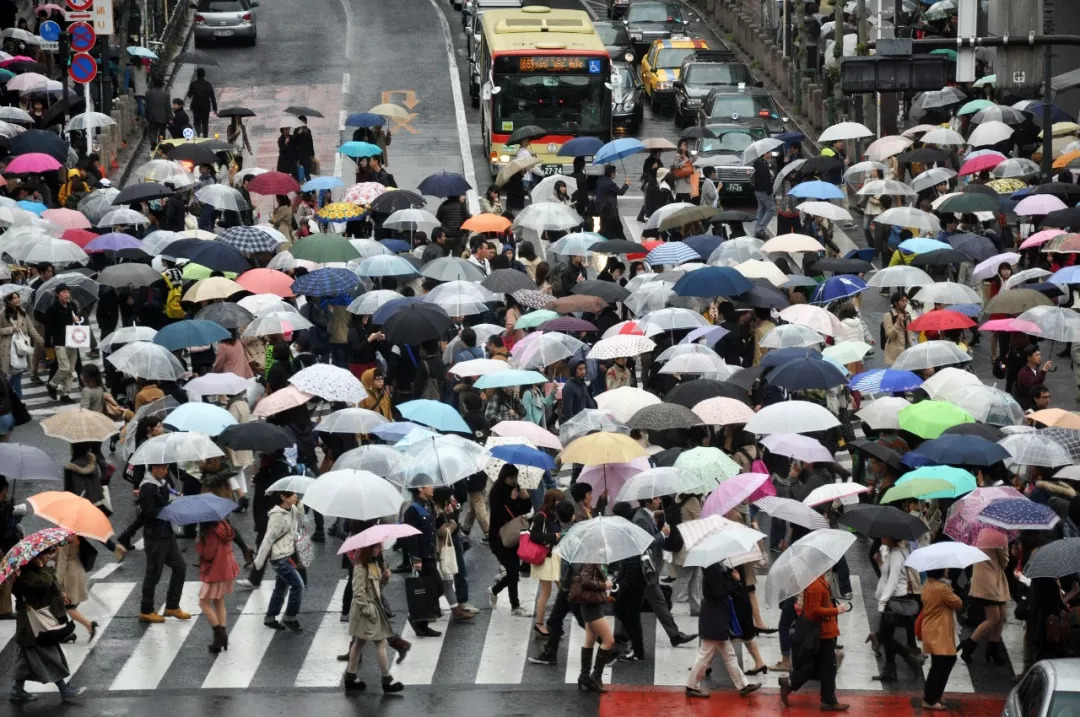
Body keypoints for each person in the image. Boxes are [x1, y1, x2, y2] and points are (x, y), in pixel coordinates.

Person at [9, 545, 85, 703]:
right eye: (45, 555)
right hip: (33, 623)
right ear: (35, 557)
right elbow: (43, 583)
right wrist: (43, 568)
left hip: (35, 622)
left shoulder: (31, 571)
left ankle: (17, 689)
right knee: (50, 655)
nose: (48, 557)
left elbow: (50, 584)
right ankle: (64, 690)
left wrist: (61, 593)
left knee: (27, 658)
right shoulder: (28, 574)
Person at [685, 563, 762, 699]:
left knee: (729, 654)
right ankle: (691, 686)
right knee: (705, 654)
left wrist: (731, 577)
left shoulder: (715, 567)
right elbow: (719, 593)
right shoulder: (713, 569)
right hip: (715, 618)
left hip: (716, 616)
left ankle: (743, 685)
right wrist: (734, 581)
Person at [778, 570, 851, 711]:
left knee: (820, 665)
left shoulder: (819, 580)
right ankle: (828, 700)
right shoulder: (815, 586)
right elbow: (813, 611)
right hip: (823, 633)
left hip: (826, 631)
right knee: (828, 666)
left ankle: (791, 683)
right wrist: (836, 610)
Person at [344, 543, 405, 693]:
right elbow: (358, 592)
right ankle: (386, 680)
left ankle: (351, 677)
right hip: (366, 610)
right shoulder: (360, 567)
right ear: (368, 549)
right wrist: (367, 610)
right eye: (377, 548)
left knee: (359, 642)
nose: (380, 550)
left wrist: (384, 578)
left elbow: (377, 588)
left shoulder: (373, 564)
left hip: (373, 607)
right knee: (380, 642)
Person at [138, 463, 191, 624]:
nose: (166, 472)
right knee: (153, 573)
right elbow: (148, 514)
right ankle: (146, 610)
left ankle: (172, 606)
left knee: (180, 566)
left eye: (167, 469)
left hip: (167, 533)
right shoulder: (147, 487)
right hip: (155, 536)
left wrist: (176, 498)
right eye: (163, 469)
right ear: (154, 469)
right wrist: (170, 507)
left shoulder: (162, 483)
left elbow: (170, 496)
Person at [253, 490, 305, 632]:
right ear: (283, 497)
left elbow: (298, 526)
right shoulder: (277, 516)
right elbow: (269, 537)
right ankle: (290, 617)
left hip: (288, 553)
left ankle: (270, 618)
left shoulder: (293, 509)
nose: (295, 496)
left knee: (281, 588)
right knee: (298, 586)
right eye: (292, 494)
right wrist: (259, 561)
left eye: (296, 494)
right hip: (279, 557)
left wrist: (299, 507)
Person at [487, 464, 532, 616]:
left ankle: (497, 593)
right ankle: (514, 606)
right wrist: (512, 501)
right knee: (513, 572)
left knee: (514, 572)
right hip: (500, 538)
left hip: (515, 536)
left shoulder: (517, 488)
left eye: (515, 477)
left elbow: (524, 511)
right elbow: (501, 516)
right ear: (504, 477)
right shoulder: (496, 492)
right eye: (511, 478)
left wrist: (526, 498)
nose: (514, 481)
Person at [959, 541, 1010, 664]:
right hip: (989, 580)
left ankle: (993, 649)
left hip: (990, 578)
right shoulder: (997, 537)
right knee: (994, 618)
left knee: (1001, 615)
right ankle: (969, 644)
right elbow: (1004, 561)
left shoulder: (980, 535)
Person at [919, 568, 963, 711]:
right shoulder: (942, 588)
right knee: (944, 663)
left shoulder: (928, 584)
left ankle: (935, 694)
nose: (947, 570)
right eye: (945, 568)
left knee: (940, 663)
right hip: (939, 631)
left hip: (933, 629)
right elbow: (958, 603)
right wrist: (949, 587)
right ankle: (929, 699)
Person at [571, 561, 618, 693]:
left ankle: (584, 676)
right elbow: (585, 582)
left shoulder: (592, 559)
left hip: (591, 605)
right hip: (592, 607)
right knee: (609, 641)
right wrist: (605, 585)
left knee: (590, 639)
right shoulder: (590, 560)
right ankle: (596, 676)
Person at [196, 516, 240, 653]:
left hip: (216, 570)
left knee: (203, 602)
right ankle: (220, 638)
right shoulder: (223, 525)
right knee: (219, 600)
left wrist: (200, 544)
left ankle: (220, 634)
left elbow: (208, 554)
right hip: (227, 567)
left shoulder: (210, 531)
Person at [403, 484, 442, 637]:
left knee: (433, 588)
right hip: (423, 557)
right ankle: (418, 620)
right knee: (435, 588)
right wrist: (416, 558)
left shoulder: (428, 505)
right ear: (420, 488)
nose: (432, 488)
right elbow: (412, 536)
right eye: (429, 485)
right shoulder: (413, 509)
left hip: (430, 554)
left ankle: (420, 621)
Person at [529, 489, 564, 637]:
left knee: (561, 590)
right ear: (551, 501)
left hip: (554, 556)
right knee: (548, 591)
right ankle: (540, 623)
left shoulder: (554, 515)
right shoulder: (541, 516)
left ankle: (552, 623)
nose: (560, 504)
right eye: (558, 501)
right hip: (546, 558)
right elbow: (534, 536)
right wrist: (552, 536)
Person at [43, 284, 82, 402]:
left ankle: (65, 394)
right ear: (57, 294)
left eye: (68, 292)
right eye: (63, 292)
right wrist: (48, 341)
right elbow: (48, 326)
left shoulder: (72, 306)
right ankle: (52, 384)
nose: (66, 294)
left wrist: (78, 319)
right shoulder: (53, 308)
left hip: (72, 340)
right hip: (59, 341)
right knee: (64, 368)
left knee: (71, 371)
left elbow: (79, 320)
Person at [0, 289, 41, 397]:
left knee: (18, 373)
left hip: (21, 348)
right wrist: (11, 329)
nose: (17, 299)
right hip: (8, 349)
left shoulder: (22, 312)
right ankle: (18, 397)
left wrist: (41, 341)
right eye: (14, 298)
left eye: (17, 297)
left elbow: (31, 328)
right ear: (8, 301)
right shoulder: (2, 314)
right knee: (16, 374)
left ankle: (6, 394)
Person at [594, 164, 629, 239]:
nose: (615, 173)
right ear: (611, 173)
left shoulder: (600, 180)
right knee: (616, 228)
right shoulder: (610, 184)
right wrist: (626, 184)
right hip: (609, 210)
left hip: (601, 208)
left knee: (605, 227)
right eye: (614, 172)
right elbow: (621, 192)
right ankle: (622, 243)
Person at [1013, 345, 1050, 410]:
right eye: (1036, 355)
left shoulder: (1036, 370)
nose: (1039, 357)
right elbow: (1035, 388)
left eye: (1039, 355)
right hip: (1027, 405)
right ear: (1029, 358)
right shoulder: (1023, 373)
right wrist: (1043, 371)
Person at [186, 68, 217, 138]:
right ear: (204, 75)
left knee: (196, 122)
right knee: (205, 122)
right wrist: (215, 108)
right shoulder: (208, 85)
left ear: (197, 75)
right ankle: (205, 136)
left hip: (195, 106)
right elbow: (212, 97)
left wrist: (191, 89)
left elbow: (189, 95)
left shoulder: (193, 84)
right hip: (205, 107)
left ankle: (199, 133)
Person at [882, 290, 911, 366]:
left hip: (906, 352)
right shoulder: (888, 315)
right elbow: (890, 335)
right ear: (895, 303)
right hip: (894, 354)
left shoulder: (907, 315)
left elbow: (910, 334)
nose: (905, 303)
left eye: (906, 301)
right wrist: (897, 323)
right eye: (902, 301)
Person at [752, 155, 775, 238]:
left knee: (761, 210)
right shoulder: (764, 165)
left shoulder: (757, 163)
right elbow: (766, 179)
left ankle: (757, 229)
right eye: (769, 152)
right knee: (771, 209)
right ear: (765, 154)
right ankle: (760, 229)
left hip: (757, 190)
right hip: (764, 191)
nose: (771, 154)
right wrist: (769, 190)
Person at [145, 78, 171, 145]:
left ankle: (153, 143)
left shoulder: (148, 93)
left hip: (152, 116)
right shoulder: (166, 94)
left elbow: (147, 105)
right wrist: (170, 117)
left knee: (152, 131)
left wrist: (146, 115)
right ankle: (161, 144)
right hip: (163, 116)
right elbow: (168, 107)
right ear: (162, 85)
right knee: (162, 131)